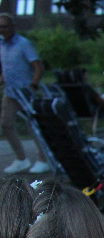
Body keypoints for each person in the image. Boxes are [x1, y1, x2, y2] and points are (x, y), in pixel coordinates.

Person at [0, 14, 49, 174]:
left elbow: (38, 67)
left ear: (13, 27)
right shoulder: (2, 45)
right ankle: (21, 159)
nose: (2, 30)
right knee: (6, 124)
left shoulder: (23, 44)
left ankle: (43, 159)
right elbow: (7, 68)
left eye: (5, 26)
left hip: (25, 92)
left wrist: (33, 85)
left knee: (33, 126)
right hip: (10, 92)